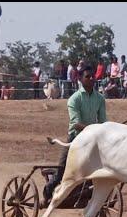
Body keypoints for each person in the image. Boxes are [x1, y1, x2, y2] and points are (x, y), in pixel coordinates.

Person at [42, 65, 107, 207]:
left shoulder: (100, 99)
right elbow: (76, 124)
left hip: (93, 141)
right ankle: (47, 192)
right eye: (87, 77)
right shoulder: (74, 99)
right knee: (62, 171)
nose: (91, 79)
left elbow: (103, 122)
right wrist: (96, 130)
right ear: (80, 79)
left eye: (92, 76)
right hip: (75, 140)